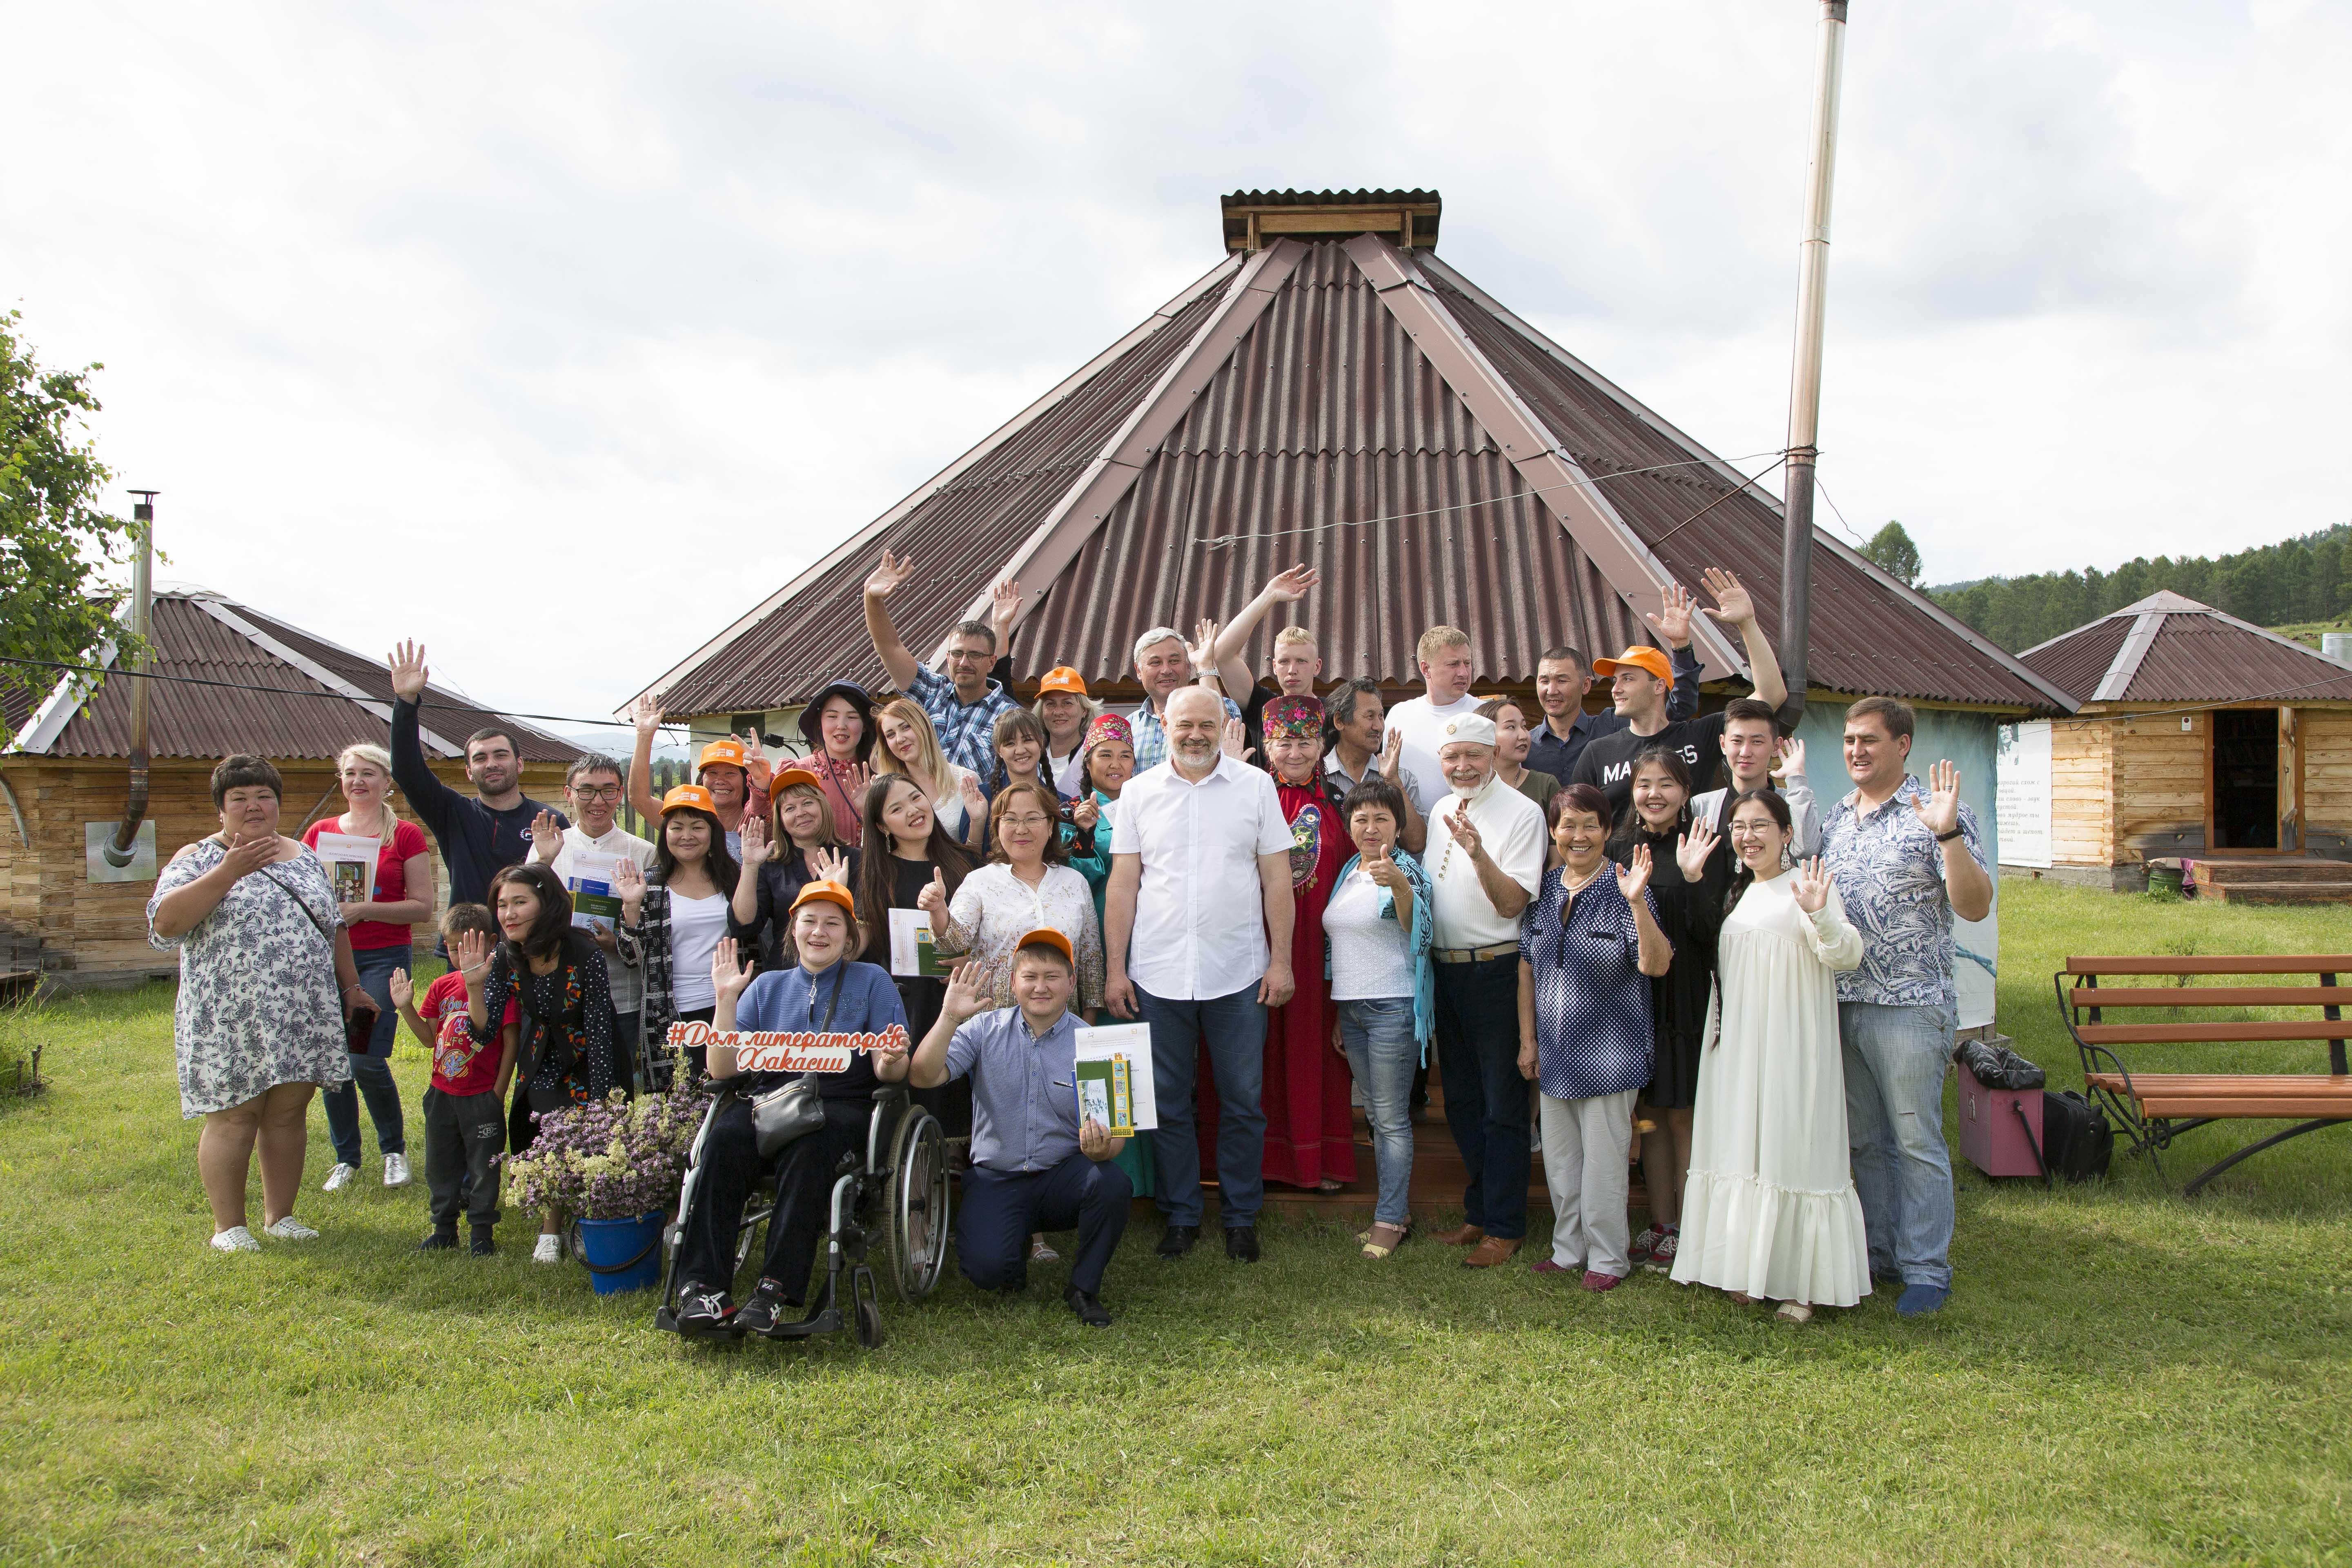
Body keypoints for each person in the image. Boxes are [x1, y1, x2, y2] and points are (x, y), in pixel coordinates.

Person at [1103, 686, 1296, 1262]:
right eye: (1184, 724)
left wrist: (1281, 958)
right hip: (1157, 972)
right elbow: (1123, 886)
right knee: (1166, 1101)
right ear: (1163, 723)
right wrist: (1116, 969)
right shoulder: (1137, 794)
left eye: (1206, 726)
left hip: (1237, 971)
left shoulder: (1256, 788)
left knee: (1242, 1100)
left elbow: (1277, 880)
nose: (1195, 735)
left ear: (1223, 726)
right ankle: (1182, 1215)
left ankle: (1240, 1217)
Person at [148, 755, 367, 1251]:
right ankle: (229, 1227)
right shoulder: (200, 856)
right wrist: (228, 872)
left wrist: (351, 987)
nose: (254, 807)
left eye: (264, 796)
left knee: (289, 1112)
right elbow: (165, 924)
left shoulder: (302, 854)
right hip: (231, 1013)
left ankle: (280, 1217)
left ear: (278, 803)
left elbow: (332, 924)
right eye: (239, 799)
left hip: (301, 1009)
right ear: (221, 809)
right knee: (235, 1114)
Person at [1819, 698, 1991, 1319]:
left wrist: (1946, 836)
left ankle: (1925, 1268)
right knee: (1865, 1141)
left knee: (1916, 1138)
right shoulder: (1837, 819)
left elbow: (1973, 907)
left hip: (1910, 1006)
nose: (1856, 751)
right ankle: (1879, 1254)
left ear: (1904, 745)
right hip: (1844, 1002)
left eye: (1869, 740)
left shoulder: (1937, 811)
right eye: (1848, 741)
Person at [671, 895, 912, 1338]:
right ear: (793, 930)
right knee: (722, 1140)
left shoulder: (872, 980)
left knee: (810, 1148)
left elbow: (888, 1069)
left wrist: (894, 1057)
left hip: (841, 1103)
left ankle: (774, 1291)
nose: (819, 932)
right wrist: (725, 999)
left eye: (832, 924)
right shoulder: (767, 987)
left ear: (849, 934)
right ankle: (703, 1289)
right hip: (770, 1102)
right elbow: (723, 1071)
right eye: (810, 922)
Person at [1673, 792, 1870, 1323]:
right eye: (1739, 826)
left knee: (1791, 1147)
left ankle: (1800, 1285)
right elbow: (1702, 949)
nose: (1749, 835)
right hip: (1738, 1046)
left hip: (1791, 1043)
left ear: (1787, 833)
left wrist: (1820, 917)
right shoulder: (1735, 891)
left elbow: (1846, 955)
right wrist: (1691, 882)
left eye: (1762, 825)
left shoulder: (1806, 885)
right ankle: (1747, 1266)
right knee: (1745, 1147)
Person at [914, 939, 1133, 1326]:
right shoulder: (983, 1030)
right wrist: (949, 1017)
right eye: (1030, 977)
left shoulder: (1095, 1044)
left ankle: (1083, 1288)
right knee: (988, 1272)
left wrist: (1101, 1152)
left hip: (1060, 1177)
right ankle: (1010, 1251)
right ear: (1013, 982)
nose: (1040, 987)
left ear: (1072, 982)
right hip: (997, 1177)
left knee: (1111, 1182)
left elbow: (1115, 1138)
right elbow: (923, 1075)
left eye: (1052, 977)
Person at [1517, 784, 1673, 1290]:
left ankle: (1608, 1259)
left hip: (1611, 1056)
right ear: (1554, 832)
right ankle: (1569, 1250)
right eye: (1568, 826)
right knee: (1562, 1164)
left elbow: (1656, 964)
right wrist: (1528, 1039)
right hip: (1556, 1055)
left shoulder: (1629, 887)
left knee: (1605, 1165)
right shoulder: (1548, 889)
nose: (1578, 836)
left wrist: (1639, 908)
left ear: (1608, 831)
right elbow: (1528, 967)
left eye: (1590, 825)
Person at [1418, 713, 1549, 1269]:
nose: (1462, 767)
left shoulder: (1524, 814)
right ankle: (1481, 1211)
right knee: (1465, 1103)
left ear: (1493, 755)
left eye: (1473, 755)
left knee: (1502, 1107)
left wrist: (1477, 853)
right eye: (1452, 759)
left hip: (1496, 973)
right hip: (1446, 972)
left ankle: (1506, 1225)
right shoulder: (1443, 808)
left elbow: (1513, 904)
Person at [456, 862, 617, 1263]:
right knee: (545, 1129)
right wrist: (474, 987)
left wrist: (602, 1100)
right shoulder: (505, 956)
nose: (508, 914)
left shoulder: (584, 953)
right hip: (542, 1053)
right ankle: (551, 1229)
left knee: (593, 1137)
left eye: (519, 902)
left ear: (546, 904)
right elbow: (485, 1031)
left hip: (590, 1053)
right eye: (502, 904)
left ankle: (584, 1221)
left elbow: (599, 1028)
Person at [1607, 747, 1717, 1276]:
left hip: (1686, 997)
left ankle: (1695, 1227)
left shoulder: (1702, 846)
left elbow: (1710, 932)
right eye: (1644, 784)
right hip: (1634, 1000)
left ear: (1685, 791)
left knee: (1683, 1116)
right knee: (1647, 1116)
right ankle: (1662, 1223)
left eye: (1666, 784)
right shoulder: (1618, 848)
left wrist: (1694, 878)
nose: (1654, 794)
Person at [303, 741, 431, 1193]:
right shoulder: (319, 833)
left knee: (363, 1058)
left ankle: (393, 1151)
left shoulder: (406, 836)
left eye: (369, 773)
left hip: (380, 957)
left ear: (386, 783)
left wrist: (365, 909)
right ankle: (346, 1158)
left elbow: (422, 907)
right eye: (351, 773)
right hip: (326, 958)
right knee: (333, 1063)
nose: (359, 781)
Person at [1570, 570, 1789, 817]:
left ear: (1659, 686)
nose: (1615, 689)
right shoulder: (1598, 752)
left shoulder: (1699, 735)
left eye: (1628, 679)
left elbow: (1771, 695)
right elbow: (1576, 818)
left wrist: (1747, 623)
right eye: (1615, 680)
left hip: (1691, 855)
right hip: (1623, 857)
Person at [1324, 776, 1434, 1260]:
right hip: (1353, 1009)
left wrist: (1403, 889)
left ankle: (1390, 1219)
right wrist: (1338, 1012)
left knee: (1390, 1120)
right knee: (1374, 1115)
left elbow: (1421, 933)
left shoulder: (1406, 867)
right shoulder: (1350, 868)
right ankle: (1394, 1211)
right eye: (1362, 819)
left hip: (1393, 1005)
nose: (1371, 828)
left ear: (1399, 825)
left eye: (1381, 819)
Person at [1256, 695, 1357, 1193]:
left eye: (1304, 741)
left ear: (1322, 744)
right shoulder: (1250, 797)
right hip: (1258, 949)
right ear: (1268, 746)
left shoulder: (1341, 804)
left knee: (1316, 1051)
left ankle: (1320, 1160)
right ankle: (1261, 1161)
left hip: (1321, 954)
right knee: (1258, 1055)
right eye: (1284, 742)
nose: (1294, 752)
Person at [386, 639, 565, 918]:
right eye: (480, 758)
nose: (491, 764)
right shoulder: (453, 814)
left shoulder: (550, 821)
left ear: (520, 764)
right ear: (469, 771)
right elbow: (407, 772)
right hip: (469, 946)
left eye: (501, 755)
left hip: (533, 948)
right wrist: (406, 703)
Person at [858, 772, 979, 1141]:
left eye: (916, 798)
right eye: (897, 808)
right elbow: (861, 945)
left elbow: (984, 935)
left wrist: (963, 960)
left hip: (957, 996)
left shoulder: (963, 863)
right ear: (881, 826)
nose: (913, 810)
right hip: (903, 1001)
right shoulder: (874, 873)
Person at [390, 903, 517, 1256]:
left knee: (483, 1167)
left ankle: (481, 1234)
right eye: (451, 947)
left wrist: (497, 1092)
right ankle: (444, 1228)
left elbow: (510, 1043)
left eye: (468, 946)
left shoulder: (498, 987)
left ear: (491, 943)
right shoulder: (442, 986)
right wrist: (405, 1008)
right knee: (440, 1164)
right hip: (442, 1093)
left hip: (481, 1096)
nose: (460, 955)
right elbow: (430, 1038)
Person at [530, 753, 658, 1087]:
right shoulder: (548, 849)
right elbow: (527, 915)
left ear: (620, 795)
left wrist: (617, 942)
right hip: (562, 988)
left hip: (622, 992)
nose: (597, 801)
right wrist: (544, 861)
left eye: (608, 791)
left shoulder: (643, 852)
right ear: (569, 794)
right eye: (586, 791)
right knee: (563, 1083)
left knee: (617, 1085)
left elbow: (655, 929)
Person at [940, 780, 1105, 1011]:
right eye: (1010, 819)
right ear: (997, 827)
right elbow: (953, 942)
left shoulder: (1075, 882)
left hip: (1063, 1031)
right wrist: (937, 908)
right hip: (991, 1030)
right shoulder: (979, 882)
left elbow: (1091, 964)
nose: (1021, 829)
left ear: (1050, 827)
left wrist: (1087, 1030)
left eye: (1032, 819)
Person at [618, 784, 742, 1085]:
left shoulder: (733, 878)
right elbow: (630, 957)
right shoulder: (649, 884)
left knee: (728, 1090)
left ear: (712, 832)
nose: (687, 836)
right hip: (669, 1011)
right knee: (677, 1100)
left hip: (728, 1006)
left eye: (697, 827)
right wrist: (632, 908)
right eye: (677, 827)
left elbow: (752, 932)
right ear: (666, 834)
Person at [862, 548, 1020, 775]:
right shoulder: (932, 691)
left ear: (992, 662)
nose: (964, 662)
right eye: (957, 654)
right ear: (948, 658)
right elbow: (889, 647)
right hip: (918, 808)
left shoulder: (1009, 715)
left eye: (975, 655)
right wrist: (872, 598)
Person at [731, 764, 858, 969]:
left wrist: (834, 892)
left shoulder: (853, 859)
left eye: (807, 803)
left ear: (823, 807)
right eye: (790, 808)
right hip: (785, 980)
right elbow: (745, 926)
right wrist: (750, 866)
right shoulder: (771, 865)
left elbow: (864, 930)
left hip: (843, 977)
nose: (800, 813)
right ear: (781, 820)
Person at [1526, 640, 1699, 786]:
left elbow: (1676, 710)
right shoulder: (1526, 746)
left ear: (1586, 685)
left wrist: (1681, 647)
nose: (1551, 690)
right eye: (1544, 681)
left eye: (1562, 680)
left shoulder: (1613, 724)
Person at [1688, 699, 1822, 867]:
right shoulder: (1701, 807)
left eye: (1757, 742)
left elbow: (1807, 850)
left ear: (1776, 746)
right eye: (1737, 741)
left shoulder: (1792, 802)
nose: (1745, 752)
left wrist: (1797, 778)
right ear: (1723, 744)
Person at [625, 712, 771, 860]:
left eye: (730, 773)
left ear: (745, 780)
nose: (720, 781)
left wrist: (761, 779)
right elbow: (639, 798)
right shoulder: (685, 823)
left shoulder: (760, 820)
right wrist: (645, 735)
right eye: (712, 773)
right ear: (702, 780)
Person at [1209, 563, 1322, 754]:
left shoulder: (1333, 710)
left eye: (1301, 661)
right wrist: (1269, 596)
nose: (1292, 669)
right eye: (1285, 662)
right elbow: (1222, 654)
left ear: (1317, 667)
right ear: (1275, 666)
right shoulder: (1262, 705)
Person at [1383, 626, 1483, 819]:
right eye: (1454, 664)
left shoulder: (1485, 713)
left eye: (1468, 663)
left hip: (1472, 835)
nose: (1463, 672)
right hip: (1409, 840)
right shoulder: (1399, 715)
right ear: (1426, 669)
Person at [1321, 679, 1426, 855]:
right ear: (1340, 721)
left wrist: (1393, 782)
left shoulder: (1400, 778)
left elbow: (1416, 843)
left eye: (1381, 716)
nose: (1379, 727)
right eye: (1370, 716)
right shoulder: (1318, 777)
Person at [875, 695, 987, 849]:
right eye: (891, 735)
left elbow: (979, 855)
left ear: (924, 727)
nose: (900, 739)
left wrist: (977, 822)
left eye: (906, 727)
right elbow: (875, 852)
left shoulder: (966, 779)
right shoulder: (881, 788)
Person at [1127, 622, 1240, 772]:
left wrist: (1205, 666)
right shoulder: (1128, 726)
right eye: (1156, 663)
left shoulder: (1224, 707)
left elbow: (1229, 751)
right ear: (1138, 670)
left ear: (1188, 666)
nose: (1166, 670)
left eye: (1174, 661)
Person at [793, 680, 878, 847]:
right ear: (820, 723)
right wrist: (762, 783)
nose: (841, 726)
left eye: (852, 717)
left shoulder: (880, 773)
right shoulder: (798, 772)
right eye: (832, 716)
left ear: (865, 726)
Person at [1479, 695, 1560, 818]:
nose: (1523, 735)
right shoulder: (1472, 785)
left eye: (1524, 727)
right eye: (1511, 727)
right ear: (1486, 735)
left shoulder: (1545, 785)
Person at [1031, 666, 1100, 798]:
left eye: (1067, 703)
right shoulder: (1030, 753)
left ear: (1084, 710)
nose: (1058, 712)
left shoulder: (1097, 755)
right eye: (1050, 704)